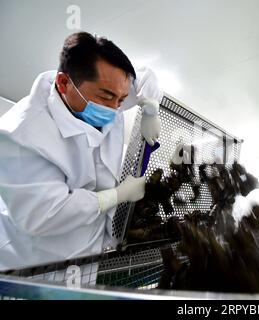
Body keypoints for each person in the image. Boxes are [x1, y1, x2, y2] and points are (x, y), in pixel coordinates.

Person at [0, 32, 162, 271]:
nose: (116, 108)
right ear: (64, 83)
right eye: (107, 97)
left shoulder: (108, 89)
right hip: (39, 264)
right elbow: (45, 214)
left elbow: (147, 78)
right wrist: (116, 196)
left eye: (122, 100)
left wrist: (151, 109)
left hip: (91, 255)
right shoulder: (20, 134)